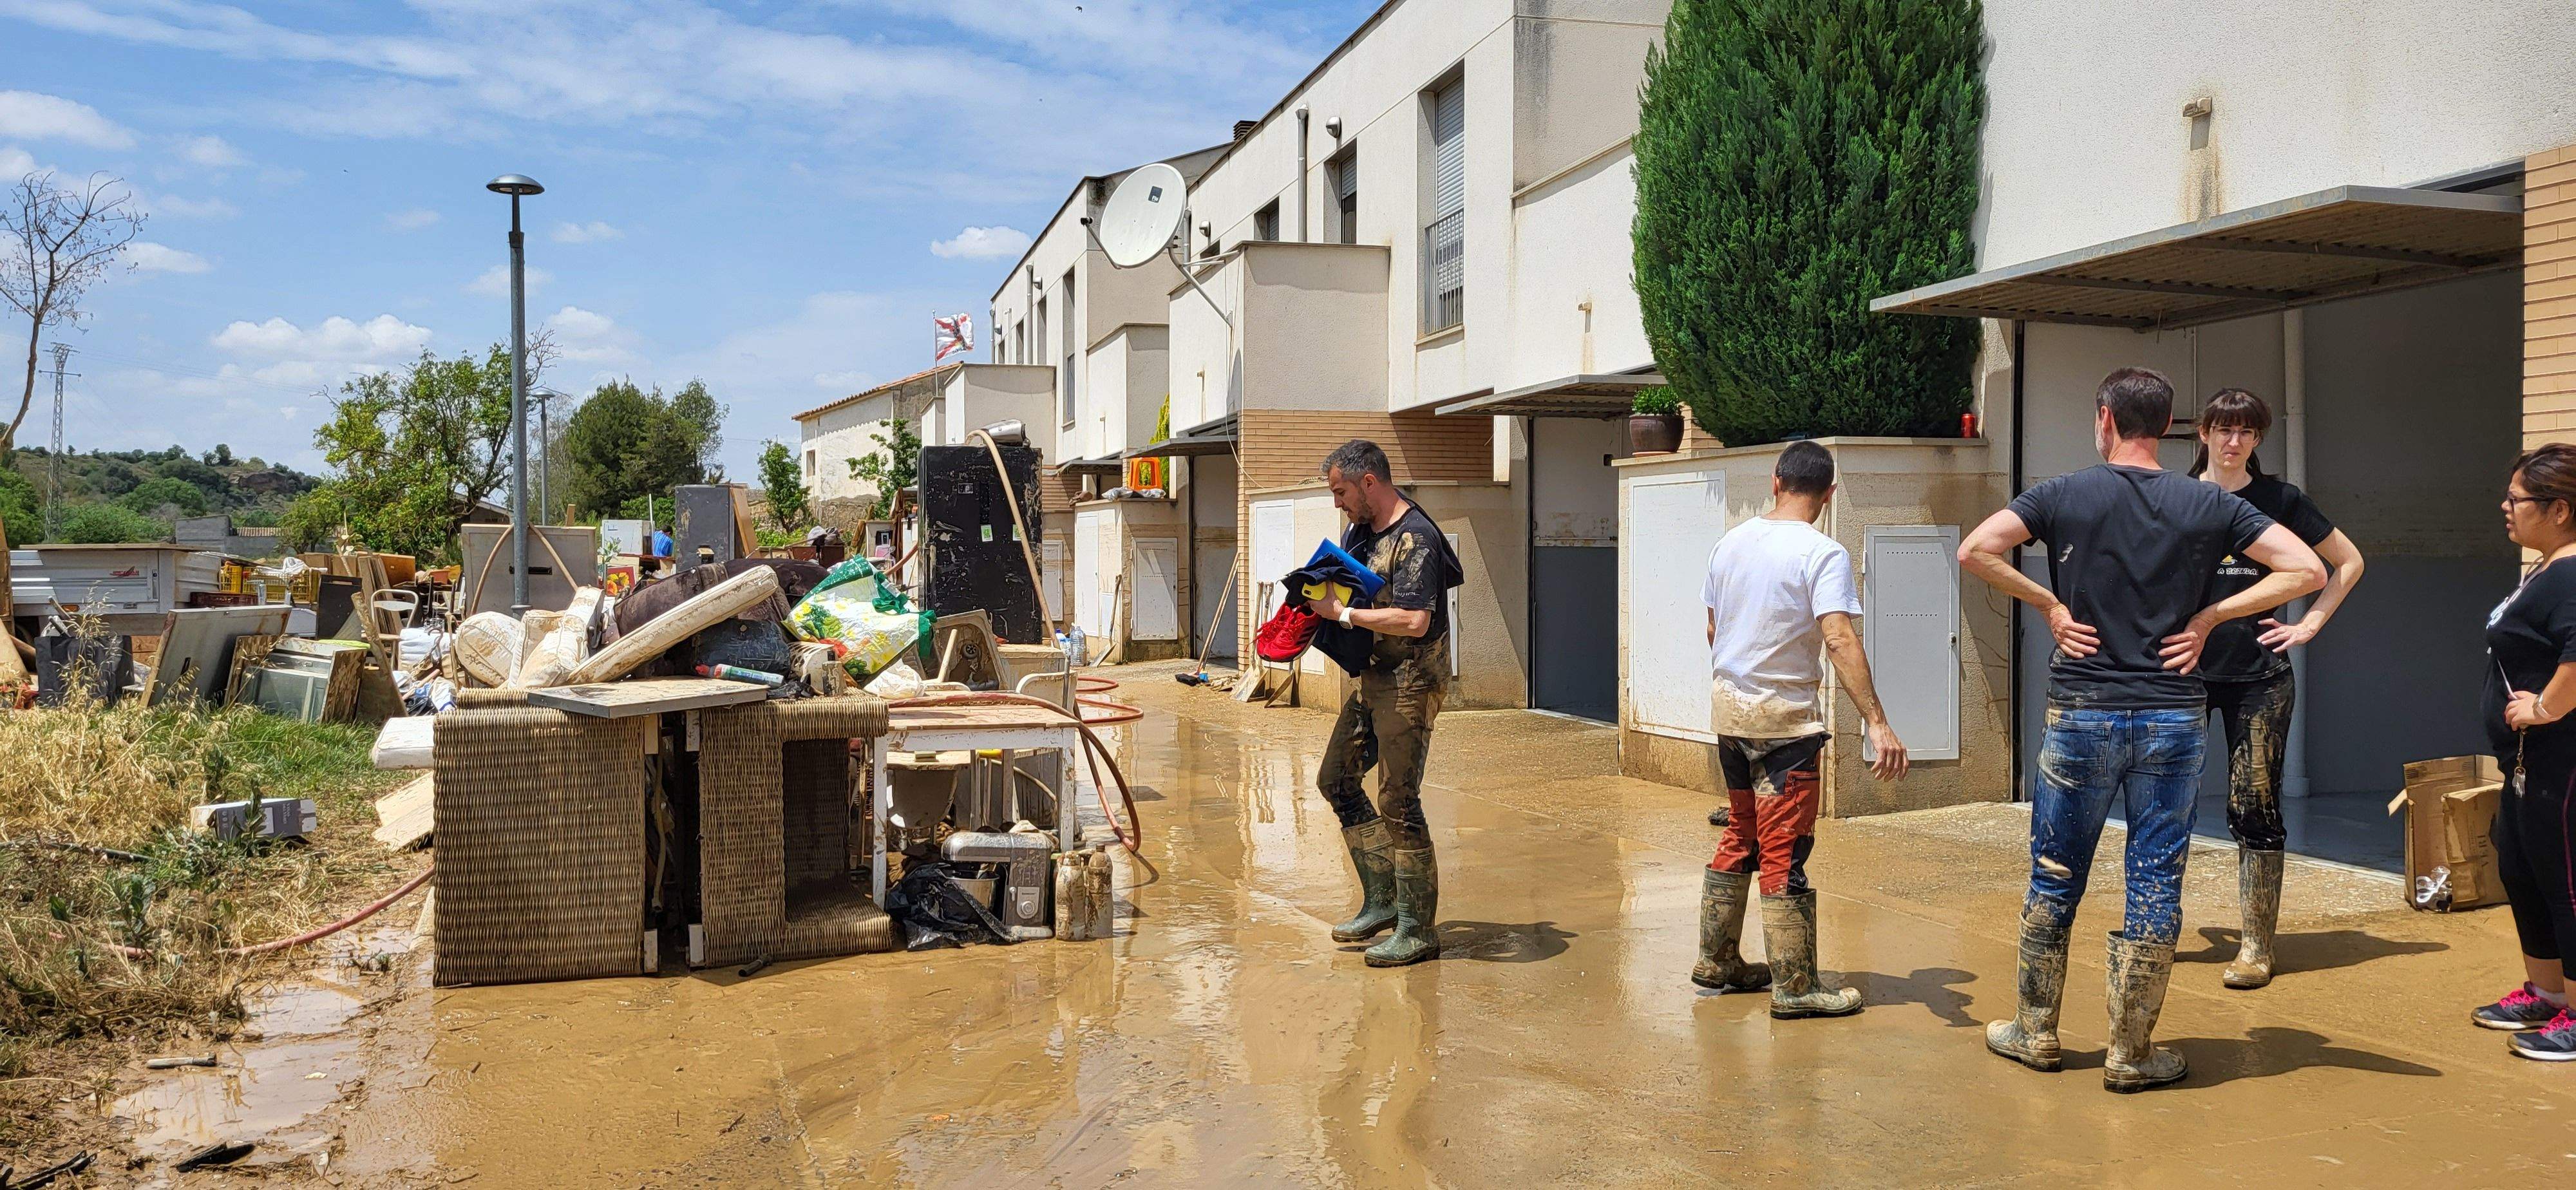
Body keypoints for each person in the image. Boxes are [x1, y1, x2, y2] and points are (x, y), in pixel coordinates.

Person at [1960, 367, 2325, 1093]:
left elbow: (1976, 550)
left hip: (2082, 712)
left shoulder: (2064, 493)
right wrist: (2210, 617)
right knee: (2154, 879)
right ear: (2169, 429)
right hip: (2171, 716)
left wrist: (2049, 606)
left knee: (2055, 873)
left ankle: (2035, 1032)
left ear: (2104, 419)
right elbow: (2307, 568)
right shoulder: (2205, 502)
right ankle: (2132, 1054)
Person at [1691, 441, 1909, 1019]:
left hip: (1730, 715)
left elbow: (1714, 629)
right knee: (1785, 849)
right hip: (1785, 725)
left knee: (1742, 832)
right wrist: (1878, 723)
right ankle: (1795, 987)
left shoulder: (1729, 543)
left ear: (1776, 480)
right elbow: (1838, 638)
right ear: (1829, 494)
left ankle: (1718, 959)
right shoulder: (1823, 553)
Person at [2188, 390, 2366, 990]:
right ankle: (2153, 929)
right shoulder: (2177, 495)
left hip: (2259, 677)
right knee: (2162, 804)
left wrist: (2311, 622)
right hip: (2181, 672)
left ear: (2258, 440)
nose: (2233, 441)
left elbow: (2348, 561)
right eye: (2223, 429)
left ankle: (2258, 947)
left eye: (2246, 432)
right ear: (2203, 433)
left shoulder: (2280, 500)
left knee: (2255, 808)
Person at [1307, 440, 1466, 968]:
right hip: (1371, 674)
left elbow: (1415, 620)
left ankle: (1418, 929)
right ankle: (1384, 901)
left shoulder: (1415, 537)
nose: (1337, 503)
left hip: (1412, 681)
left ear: (1369, 482)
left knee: (1399, 799)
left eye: (1341, 492)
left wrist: (1344, 617)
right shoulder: (1360, 530)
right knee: (1337, 779)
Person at [2476, 444, 2576, 1061]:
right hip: (2524, 761)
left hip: (2561, 759)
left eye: (2518, 499)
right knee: (2521, 867)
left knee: (2566, 881)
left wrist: (2546, 709)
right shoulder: (2544, 567)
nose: (2506, 508)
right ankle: (2546, 990)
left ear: (2560, 508)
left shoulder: (2571, 572)